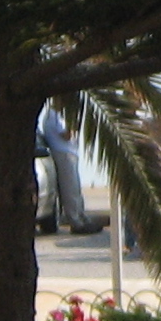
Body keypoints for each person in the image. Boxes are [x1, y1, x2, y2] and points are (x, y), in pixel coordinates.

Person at [38, 100, 94, 234]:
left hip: (69, 153)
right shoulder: (54, 115)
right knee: (69, 190)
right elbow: (66, 135)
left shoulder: (58, 114)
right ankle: (75, 221)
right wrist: (75, 123)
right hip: (63, 153)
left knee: (75, 188)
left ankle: (81, 217)